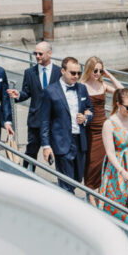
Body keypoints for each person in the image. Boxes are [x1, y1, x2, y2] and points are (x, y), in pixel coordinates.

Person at [38, 56, 93, 191]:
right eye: (72, 73)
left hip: (80, 141)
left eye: (78, 73)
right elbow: (44, 120)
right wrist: (46, 146)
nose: (76, 76)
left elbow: (90, 109)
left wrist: (85, 118)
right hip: (61, 143)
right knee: (66, 183)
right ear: (63, 71)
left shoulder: (82, 89)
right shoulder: (50, 91)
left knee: (77, 180)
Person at [98, 88, 128, 226]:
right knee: (119, 204)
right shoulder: (109, 123)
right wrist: (122, 172)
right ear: (118, 104)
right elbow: (110, 152)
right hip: (117, 170)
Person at [81, 56, 123, 189]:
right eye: (95, 71)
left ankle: (101, 191)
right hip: (89, 128)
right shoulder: (81, 86)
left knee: (105, 160)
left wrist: (109, 75)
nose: (97, 74)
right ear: (88, 70)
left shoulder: (103, 85)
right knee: (92, 161)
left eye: (100, 71)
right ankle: (90, 190)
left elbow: (122, 92)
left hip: (103, 127)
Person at [14, 41, 55, 167]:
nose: (37, 56)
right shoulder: (29, 73)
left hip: (55, 120)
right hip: (35, 119)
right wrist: (19, 95)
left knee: (59, 152)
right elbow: (27, 92)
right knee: (31, 151)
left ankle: (63, 183)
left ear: (49, 54)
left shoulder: (60, 72)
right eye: (35, 53)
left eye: (40, 54)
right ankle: (26, 176)